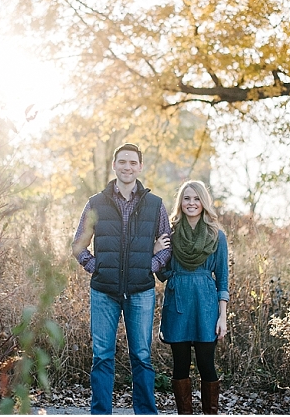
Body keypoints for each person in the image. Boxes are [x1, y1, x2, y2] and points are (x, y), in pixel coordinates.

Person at [71, 143, 172, 415]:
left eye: (132, 163)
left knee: (141, 356)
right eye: (122, 162)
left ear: (140, 167)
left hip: (141, 291)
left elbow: (167, 245)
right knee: (102, 356)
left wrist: (149, 266)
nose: (127, 167)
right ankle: (101, 412)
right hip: (104, 290)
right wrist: (96, 267)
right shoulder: (95, 203)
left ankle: (146, 413)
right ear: (114, 165)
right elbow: (79, 245)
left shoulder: (155, 205)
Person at [158, 181, 229, 415]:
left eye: (196, 198)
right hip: (177, 302)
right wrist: (155, 250)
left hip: (206, 305)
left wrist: (222, 317)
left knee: (206, 364)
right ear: (181, 202)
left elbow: (222, 279)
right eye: (186, 198)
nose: (191, 203)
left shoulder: (216, 236)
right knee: (180, 365)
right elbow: (162, 273)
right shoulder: (170, 233)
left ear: (203, 203)